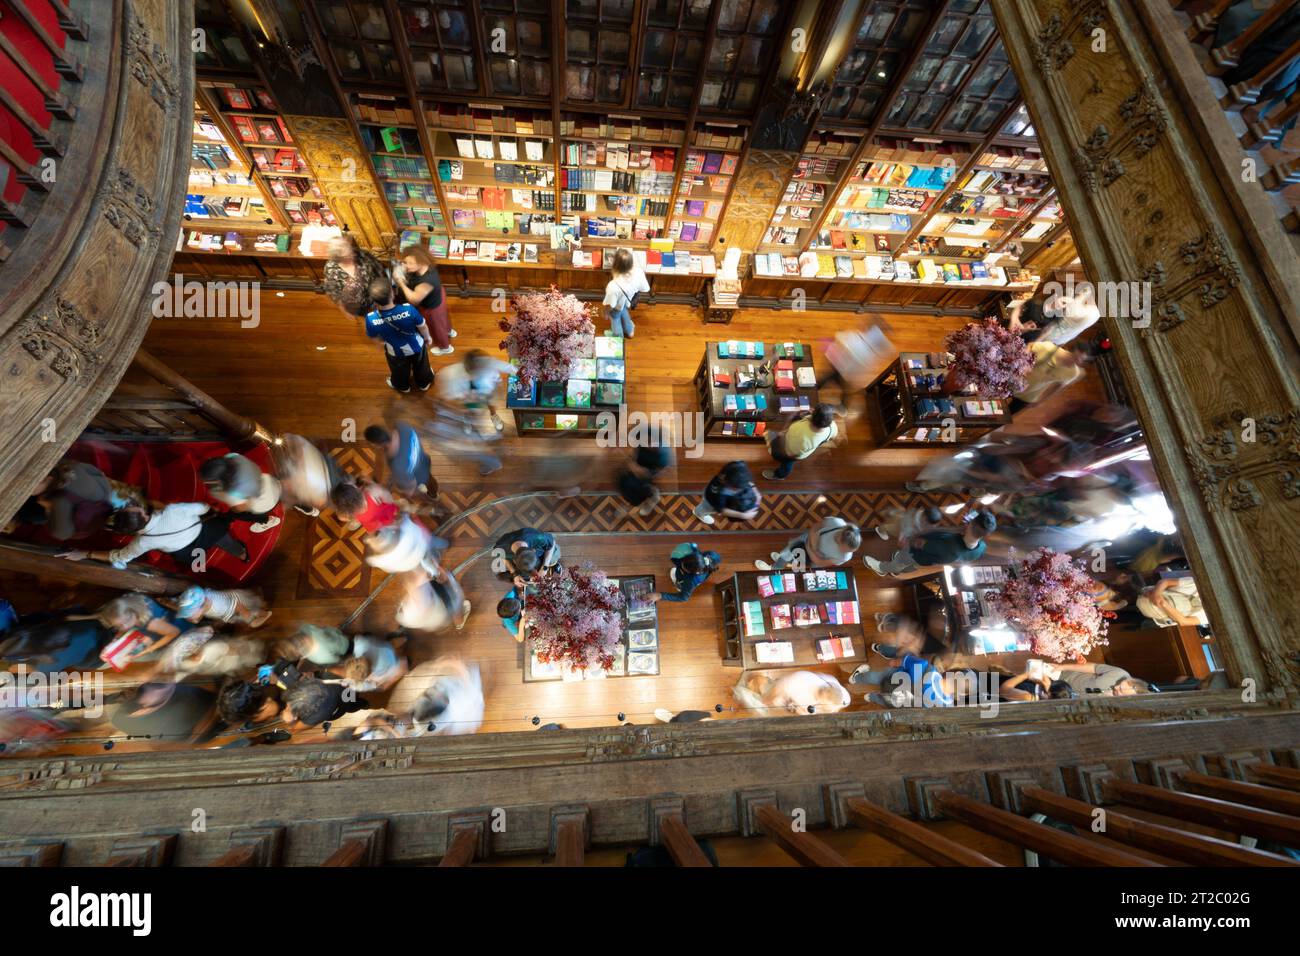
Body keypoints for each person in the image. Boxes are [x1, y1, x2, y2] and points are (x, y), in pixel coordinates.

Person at [59, 501, 253, 568]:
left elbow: (118, 557)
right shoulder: (171, 510)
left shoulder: (141, 543)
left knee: (197, 562)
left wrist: (86, 554)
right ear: (143, 513)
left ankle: (201, 568)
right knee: (227, 542)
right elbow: (204, 508)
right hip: (208, 531)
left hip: (189, 550)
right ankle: (242, 554)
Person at [862, 510, 997, 579]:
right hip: (928, 559)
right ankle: (899, 568)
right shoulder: (981, 548)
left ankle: (883, 568)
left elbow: (919, 543)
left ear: (971, 524)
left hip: (916, 553)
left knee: (901, 560)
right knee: (908, 564)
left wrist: (905, 540)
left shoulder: (949, 548)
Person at [29, 461, 139, 541]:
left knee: (34, 512)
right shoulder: (70, 473)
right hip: (93, 511)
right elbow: (61, 534)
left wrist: (49, 508)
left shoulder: (69, 468)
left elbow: (62, 533)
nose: (29, 490)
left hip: (81, 519)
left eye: (31, 486)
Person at [364, 277, 435, 394]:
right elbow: (423, 326)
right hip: (416, 346)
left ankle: (402, 386)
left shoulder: (371, 318)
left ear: (374, 300)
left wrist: (380, 344)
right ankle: (424, 383)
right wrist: (427, 337)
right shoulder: (408, 309)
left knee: (398, 370)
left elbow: (373, 336)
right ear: (392, 294)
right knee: (422, 365)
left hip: (395, 351)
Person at [435, 349, 516, 433]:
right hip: (467, 395)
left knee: (491, 404)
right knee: (468, 409)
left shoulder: (488, 364)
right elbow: (447, 393)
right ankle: (467, 419)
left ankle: (494, 416)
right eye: (472, 370)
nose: (476, 373)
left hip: (487, 391)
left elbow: (508, 367)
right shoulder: (452, 373)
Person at [394, 243, 454, 355]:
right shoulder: (427, 265)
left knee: (437, 328)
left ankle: (445, 347)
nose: (407, 266)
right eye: (406, 262)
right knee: (443, 319)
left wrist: (401, 282)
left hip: (432, 308)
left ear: (420, 262)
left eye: (410, 263)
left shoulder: (426, 282)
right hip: (439, 296)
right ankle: (449, 331)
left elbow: (414, 299)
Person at [198, 453, 281, 532]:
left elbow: (240, 508)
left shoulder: (235, 490)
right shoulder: (233, 457)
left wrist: (231, 507)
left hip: (266, 500)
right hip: (270, 482)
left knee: (232, 513)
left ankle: (267, 520)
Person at [819, 324, 893, 411]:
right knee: (839, 386)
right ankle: (842, 407)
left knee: (830, 379)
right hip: (845, 373)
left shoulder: (856, 339)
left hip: (843, 371)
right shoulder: (867, 349)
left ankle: (842, 406)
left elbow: (840, 337)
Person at [274, 434, 350, 517]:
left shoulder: (337, 477)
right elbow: (286, 486)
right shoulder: (319, 496)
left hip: (294, 445)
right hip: (280, 461)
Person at [405, 658, 484, 736]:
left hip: (443, 709)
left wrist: (439, 665)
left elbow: (459, 667)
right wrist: (439, 665)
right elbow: (459, 667)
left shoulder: (469, 692)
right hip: (441, 706)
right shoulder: (467, 688)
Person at [1009, 342, 1091, 414]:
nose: (1075, 363)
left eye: (1080, 361)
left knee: (1003, 416)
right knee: (996, 404)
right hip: (1012, 384)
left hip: (1029, 395)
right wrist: (1024, 363)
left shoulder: (1073, 373)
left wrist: (1041, 401)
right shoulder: (1049, 348)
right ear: (1069, 351)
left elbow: (1058, 387)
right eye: (1074, 358)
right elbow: (1030, 345)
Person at [756, 516, 862, 571]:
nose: (844, 553)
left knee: (795, 559)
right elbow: (815, 528)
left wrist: (812, 548)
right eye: (843, 549)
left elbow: (820, 563)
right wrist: (811, 541)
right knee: (787, 553)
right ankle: (774, 568)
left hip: (814, 555)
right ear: (840, 537)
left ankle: (776, 567)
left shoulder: (846, 556)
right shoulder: (836, 523)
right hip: (807, 540)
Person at [764, 404, 838, 481]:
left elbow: (789, 452)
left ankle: (780, 475)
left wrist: (789, 419)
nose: (811, 410)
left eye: (813, 411)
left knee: (787, 463)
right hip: (802, 450)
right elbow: (831, 438)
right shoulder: (833, 427)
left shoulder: (799, 432)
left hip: (790, 451)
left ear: (813, 416)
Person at [322, 234, 387, 319]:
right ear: (338, 258)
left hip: (378, 298)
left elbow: (379, 269)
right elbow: (333, 293)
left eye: (350, 248)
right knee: (372, 323)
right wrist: (344, 310)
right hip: (360, 307)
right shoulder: (331, 269)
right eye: (347, 255)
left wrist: (386, 290)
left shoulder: (361, 254)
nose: (352, 254)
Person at [364, 421, 436, 498]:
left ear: (376, 445)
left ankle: (430, 501)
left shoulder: (396, 464)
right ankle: (434, 494)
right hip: (424, 461)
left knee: (422, 496)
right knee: (432, 483)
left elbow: (410, 488)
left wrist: (405, 492)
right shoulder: (402, 427)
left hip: (419, 479)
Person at [732, 670, 852, 715]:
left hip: (789, 707)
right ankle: (750, 680)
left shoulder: (842, 697)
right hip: (780, 696)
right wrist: (767, 701)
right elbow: (778, 689)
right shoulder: (800, 681)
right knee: (763, 688)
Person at [171, 584, 271, 629]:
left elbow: (238, 605)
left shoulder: (217, 605)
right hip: (231, 602)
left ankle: (267, 613)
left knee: (254, 608)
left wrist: (249, 619)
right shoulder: (204, 599)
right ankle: (260, 599)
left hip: (238, 603)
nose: (188, 617)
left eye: (189, 614)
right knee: (253, 600)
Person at [335, 634, 408, 694]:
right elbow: (358, 636)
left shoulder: (379, 672)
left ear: (369, 674)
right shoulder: (361, 644)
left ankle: (402, 648)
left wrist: (382, 685)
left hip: (392, 660)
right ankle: (403, 639)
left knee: (382, 686)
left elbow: (374, 685)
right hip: (386, 648)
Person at [694, 461, 761, 526]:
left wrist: (755, 489)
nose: (739, 490)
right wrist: (743, 515)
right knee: (705, 509)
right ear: (726, 481)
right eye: (736, 489)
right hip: (711, 502)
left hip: (717, 497)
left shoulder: (736, 467)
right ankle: (698, 513)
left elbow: (747, 480)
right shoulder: (719, 493)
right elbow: (722, 510)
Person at [602, 247, 649, 338]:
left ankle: (618, 337)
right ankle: (630, 330)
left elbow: (611, 304)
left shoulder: (613, 285)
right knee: (623, 310)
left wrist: (606, 312)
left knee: (615, 317)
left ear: (615, 265)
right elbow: (645, 288)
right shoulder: (639, 272)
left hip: (616, 304)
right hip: (628, 300)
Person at [616, 443, 673, 517]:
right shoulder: (641, 445)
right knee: (624, 482)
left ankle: (649, 498)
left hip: (649, 473)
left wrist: (644, 472)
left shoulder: (662, 453)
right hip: (641, 468)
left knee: (636, 486)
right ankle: (645, 499)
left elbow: (663, 470)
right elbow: (633, 458)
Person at [492, 526, 560, 584]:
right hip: (525, 557)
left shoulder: (537, 537)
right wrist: (514, 573)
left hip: (544, 547)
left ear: (534, 550)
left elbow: (552, 542)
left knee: (555, 554)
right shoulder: (500, 548)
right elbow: (504, 559)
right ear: (514, 561)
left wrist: (545, 566)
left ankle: (552, 565)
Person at [1136, 576, 1208, 628]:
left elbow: (1184, 622)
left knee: (1137, 627)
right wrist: (1156, 595)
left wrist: (1163, 604)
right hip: (1145, 597)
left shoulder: (1210, 614)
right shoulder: (1198, 584)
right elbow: (1165, 582)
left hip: (1157, 619)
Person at [330, 480, 401, 533]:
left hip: (371, 523)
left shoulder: (346, 514)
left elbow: (341, 517)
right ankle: (395, 526)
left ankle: (357, 522)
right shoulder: (372, 491)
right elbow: (388, 497)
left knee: (380, 529)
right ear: (356, 488)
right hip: (386, 514)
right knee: (392, 521)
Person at [1053, 662, 1150, 697]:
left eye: (1120, 690)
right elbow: (1093, 667)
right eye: (1120, 684)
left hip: (1059, 698)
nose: (1115, 686)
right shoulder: (1120, 673)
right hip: (1062, 676)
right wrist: (1063, 667)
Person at [275, 623, 351, 667]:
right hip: (345, 646)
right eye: (299, 645)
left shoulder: (304, 628)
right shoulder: (321, 657)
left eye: (294, 639)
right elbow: (337, 659)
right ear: (300, 655)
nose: (300, 640)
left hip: (336, 634)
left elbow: (319, 628)